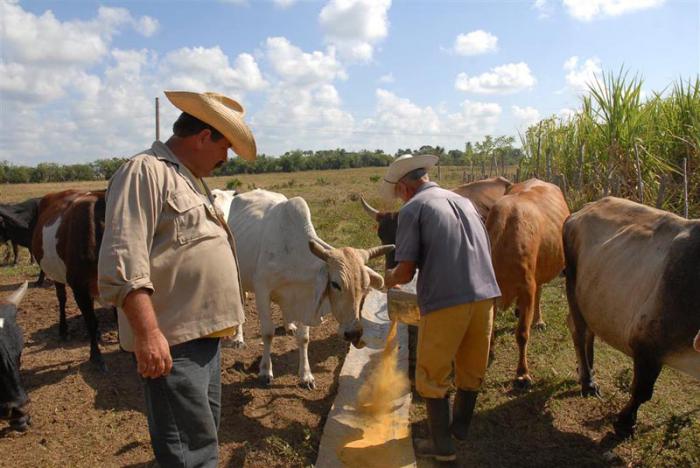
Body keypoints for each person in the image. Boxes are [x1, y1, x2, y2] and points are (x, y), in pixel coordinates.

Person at [98, 91, 256, 467]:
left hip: (204, 340)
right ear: (203, 137)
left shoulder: (186, 179)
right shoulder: (146, 171)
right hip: (175, 344)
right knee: (190, 454)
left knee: (202, 441)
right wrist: (149, 334)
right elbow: (123, 261)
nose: (226, 158)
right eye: (226, 147)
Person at [381, 154, 501, 463]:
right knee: (471, 367)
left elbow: (405, 272)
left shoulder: (412, 208)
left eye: (397, 193)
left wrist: (386, 279)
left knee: (432, 375)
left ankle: (443, 448)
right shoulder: (463, 202)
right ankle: (459, 427)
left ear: (405, 188)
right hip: (486, 296)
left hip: (447, 301)